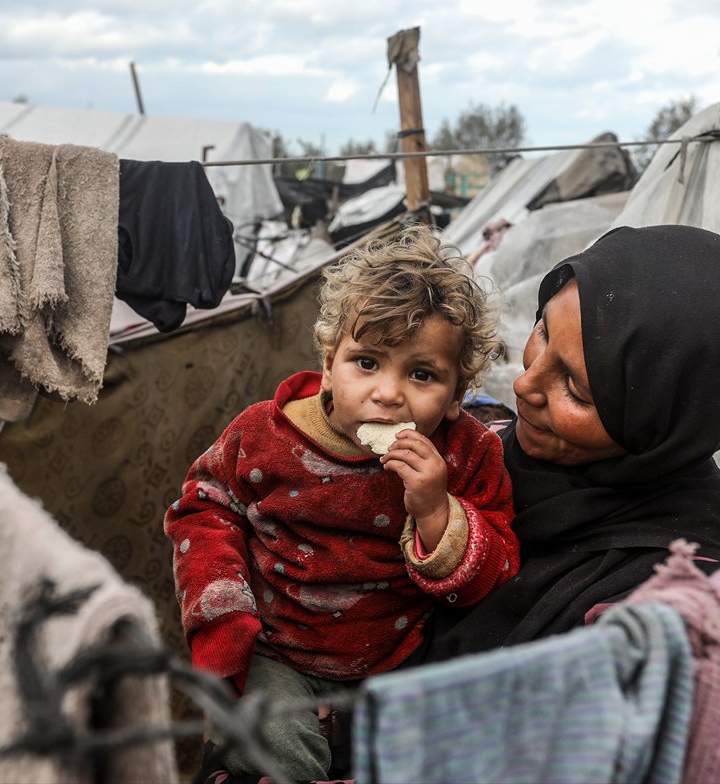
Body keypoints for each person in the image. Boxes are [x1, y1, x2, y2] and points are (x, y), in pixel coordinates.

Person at [165, 224, 520, 781]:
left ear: (456, 396)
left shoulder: (468, 454)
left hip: (400, 657)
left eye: (422, 374)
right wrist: (223, 621)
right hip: (276, 652)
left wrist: (435, 509)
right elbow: (203, 509)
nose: (387, 393)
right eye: (367, 362)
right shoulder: (264, 436)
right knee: (271, 745)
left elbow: (499, 571)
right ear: (329, 363)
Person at [408, 223, 720, 661]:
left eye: (575, 389)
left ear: (660, 426)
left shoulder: (672, 601)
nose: (524, 383)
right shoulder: (478, 455)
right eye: (544, 332)